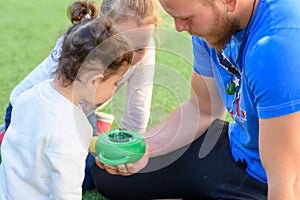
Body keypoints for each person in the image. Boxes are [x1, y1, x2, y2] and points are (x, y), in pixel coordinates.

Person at [91, 0, 300, 199]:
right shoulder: (213, 27)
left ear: (229, 2)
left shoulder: (278, 46)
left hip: (275, 177)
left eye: (187, 18)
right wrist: (146, 147)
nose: (179, 27)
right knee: (112, 177)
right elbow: (202, 108)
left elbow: (289, 181)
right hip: (239, 149)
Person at [0, 16, 133, 199]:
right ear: (94, 80)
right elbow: (66, 193)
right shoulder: (72, 129)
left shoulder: (27, 96)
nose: (116, 88)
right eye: (115, 82)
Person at [2, 0, 160, 136]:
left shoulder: (145, 49)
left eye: (139, 48)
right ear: (103, 30)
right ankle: (5, 135)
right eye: (121, 45)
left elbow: (138, 104)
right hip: (30, 114)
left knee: (93, 164)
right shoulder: (83, 43)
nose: (129, 55)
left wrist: (129, 145)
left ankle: (96, 124)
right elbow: (53, 105)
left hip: (81, 111)